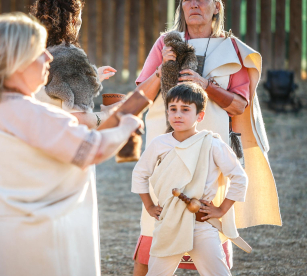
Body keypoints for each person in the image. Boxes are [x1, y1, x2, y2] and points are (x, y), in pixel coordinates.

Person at [0, 13, 143, 276]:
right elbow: (94, 149)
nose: (49, 57)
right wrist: (125, 125)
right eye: (39, 52)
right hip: (36, 238)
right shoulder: (27, 113)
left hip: (2, 230)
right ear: (17, 61)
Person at [133, 0, 281, 274]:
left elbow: (239, 105)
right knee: (155, 220)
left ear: (217, 6)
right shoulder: (166, 42)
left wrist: (206, 85)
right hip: (165, 148)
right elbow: (141, 94)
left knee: (207, 218)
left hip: (209, 151)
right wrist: (161, 69)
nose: (194, 4)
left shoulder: (232, 49)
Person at [132, 82, 248, 276]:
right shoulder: (159, 144)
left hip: (200, 224)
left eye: (185, 110)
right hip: (168, 221)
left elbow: (239, 177)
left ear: (200, 116)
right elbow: (139, 174)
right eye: (173, 109)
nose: (178, 115)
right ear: (167, 113)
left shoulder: (212, 144)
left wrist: (221, 209)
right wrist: (150, 206)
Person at [31, 0, 118, 129]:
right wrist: (106, 115)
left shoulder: (31, 51)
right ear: (73, 21)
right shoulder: (70, 57)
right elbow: (80, 120)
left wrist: (90, 78)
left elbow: (51, 93)